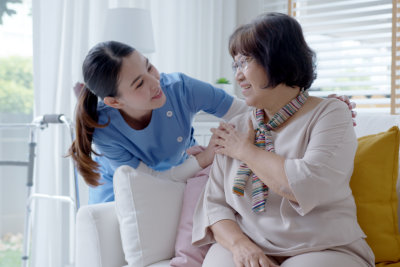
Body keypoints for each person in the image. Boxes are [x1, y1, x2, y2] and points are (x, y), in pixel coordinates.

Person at [69, 40, 356, 205]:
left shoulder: (180, 88)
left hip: (180, 172)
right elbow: (148, 182)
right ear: (115, 102)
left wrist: (311, 106)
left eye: (149, 66)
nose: (155, 81)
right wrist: (205, 157)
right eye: (139, 83)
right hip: (127, 193)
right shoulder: (105, 130)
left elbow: (249, 110)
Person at [192, 13, 374, 267]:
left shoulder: (330, 113)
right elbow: (214, 206)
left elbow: (305, 185)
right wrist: (241, 246)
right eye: (235, 65)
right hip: (250, 242)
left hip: (323, 246)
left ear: (277, 59)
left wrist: (244, 151)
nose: (237, 76)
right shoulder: (235, 128)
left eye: (244, 62)